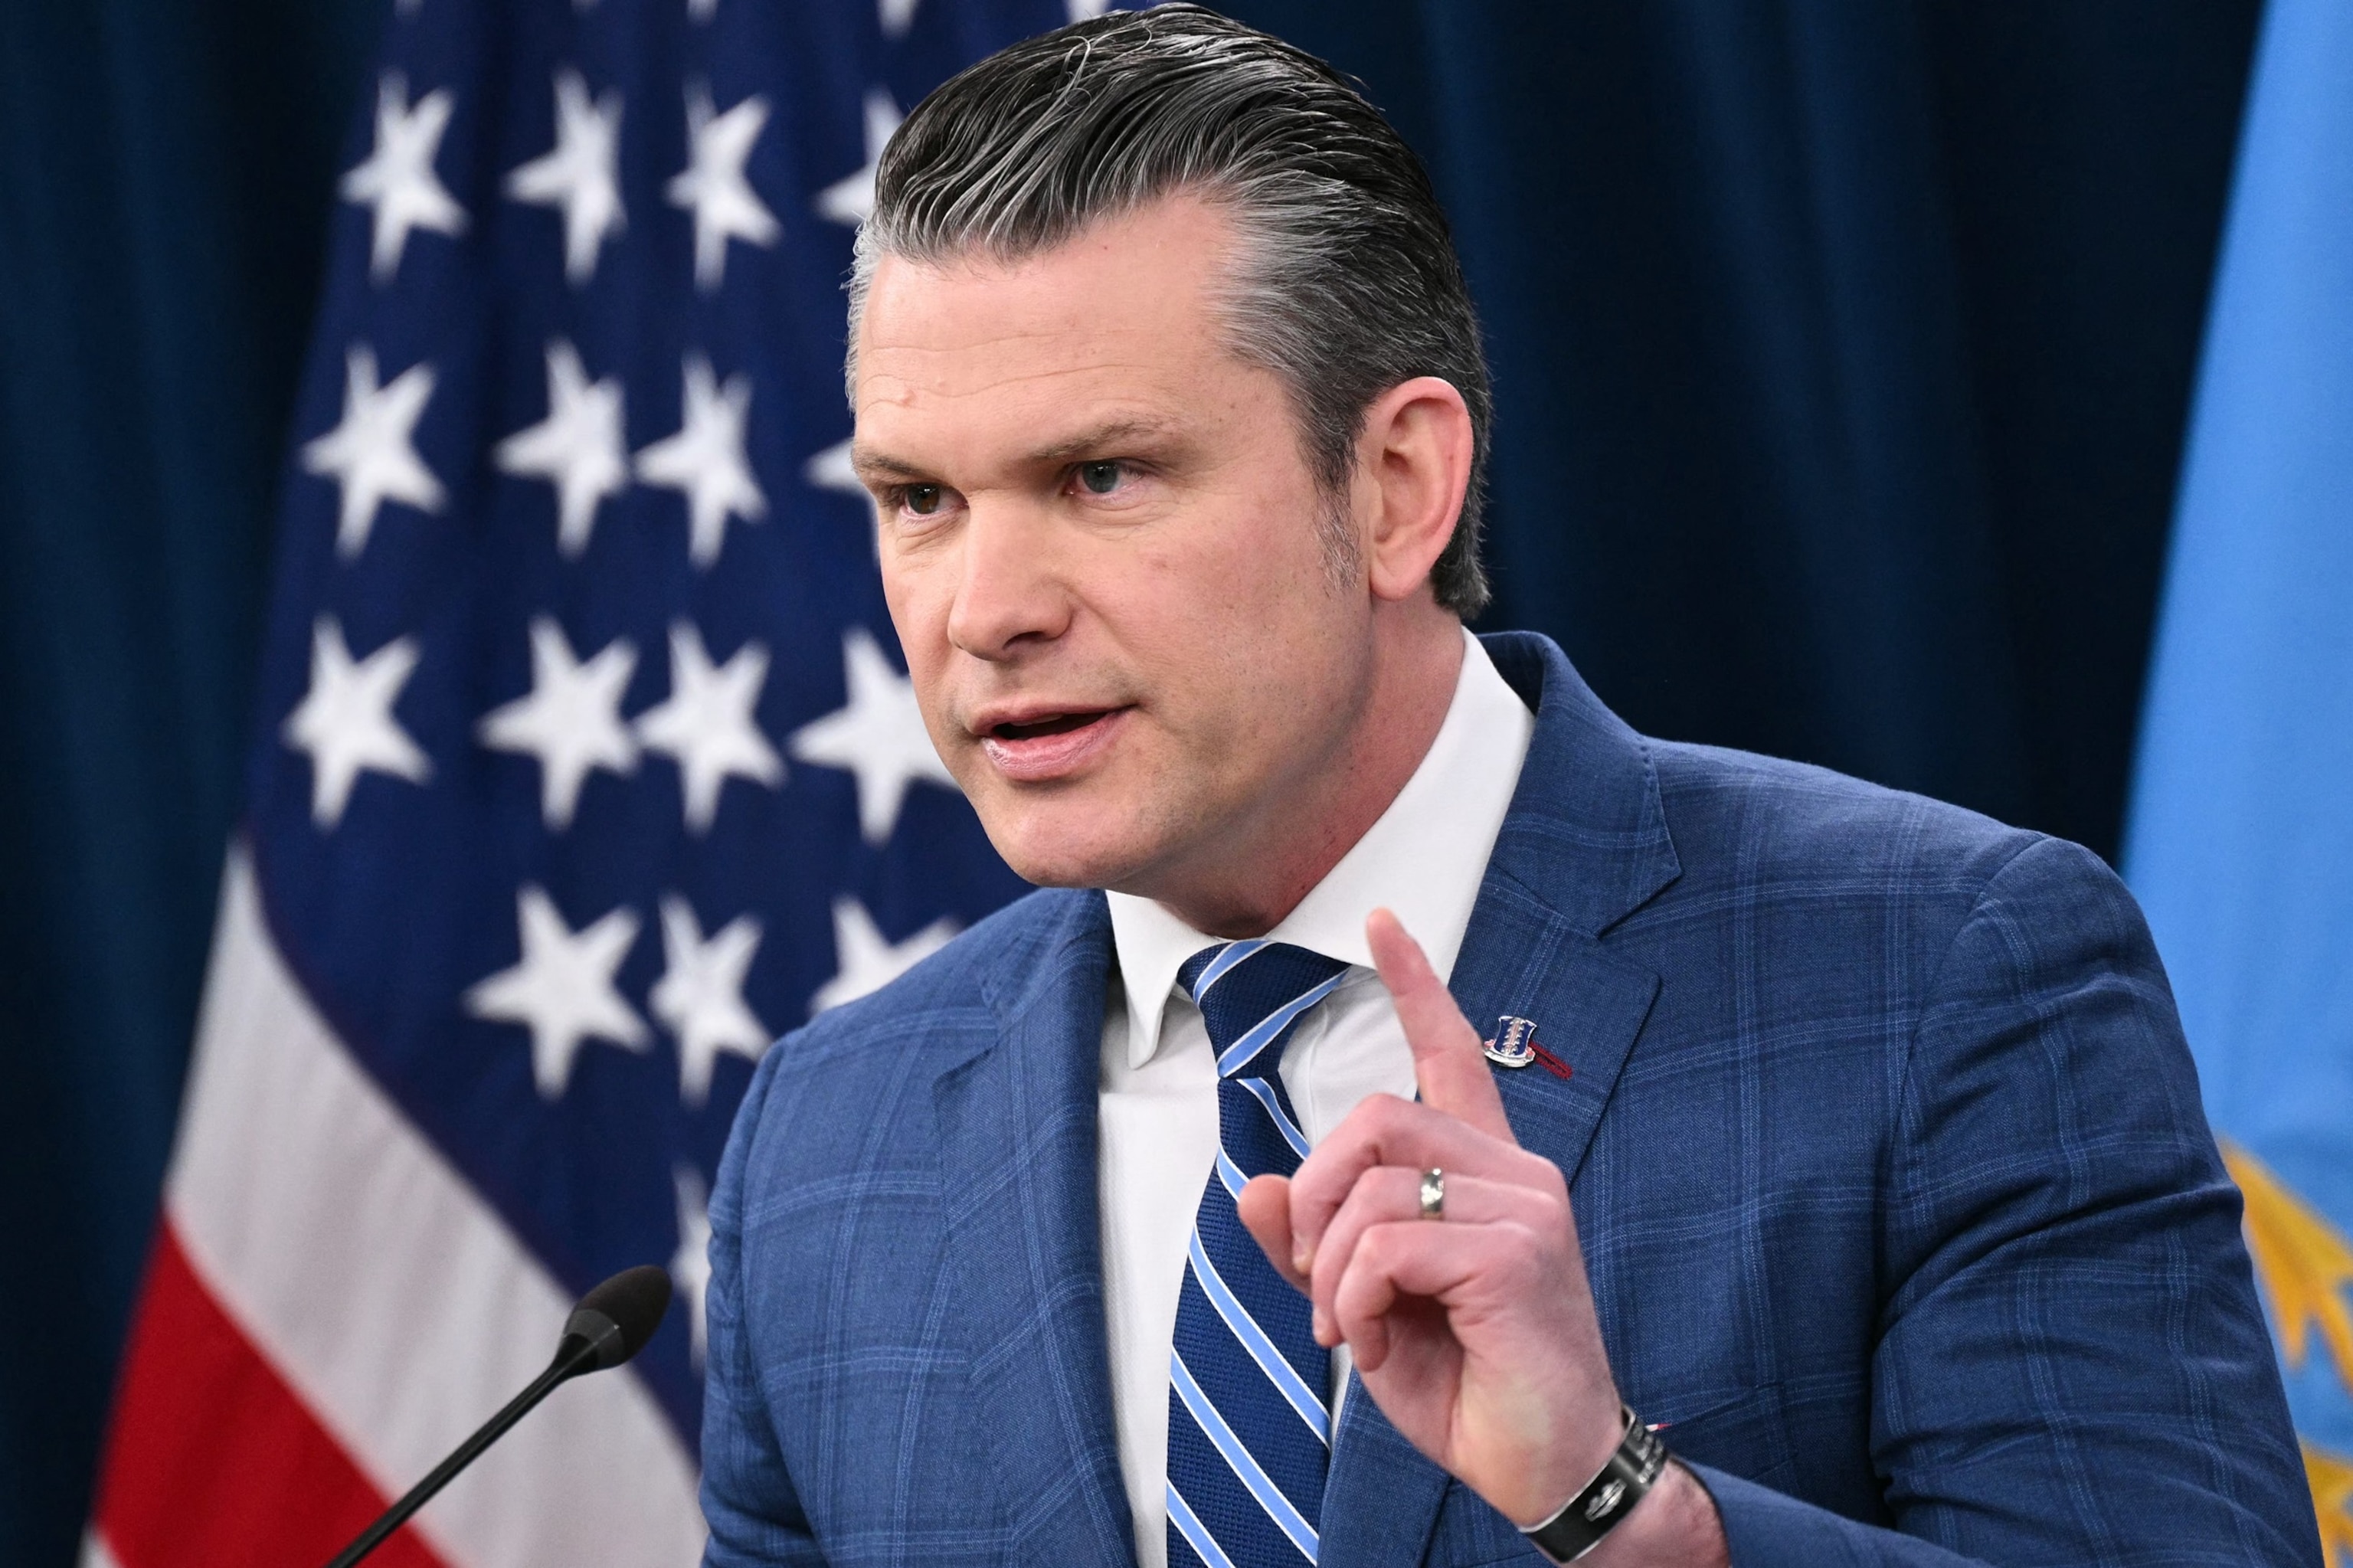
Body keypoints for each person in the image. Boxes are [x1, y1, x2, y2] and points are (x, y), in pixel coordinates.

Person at [699, 8, 2318, 1566]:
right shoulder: (832, 1140)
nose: (985, 611)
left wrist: (1632, 1519)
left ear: (1399, 486)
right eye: (919, 499)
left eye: (1101, 475)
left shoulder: (1944, 978)